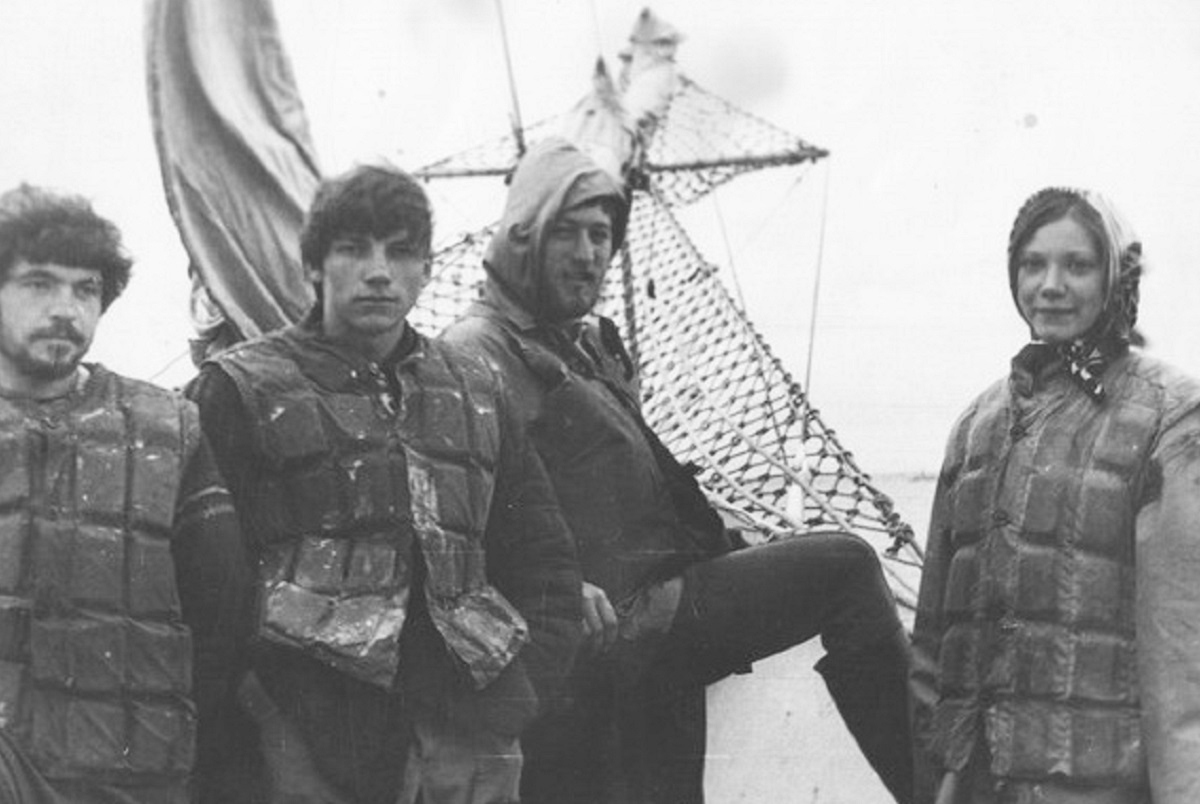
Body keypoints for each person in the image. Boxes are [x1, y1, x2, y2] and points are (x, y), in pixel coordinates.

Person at [441, 137, 914, 804]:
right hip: (615, 628)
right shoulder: (475, 353)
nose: (588, 255)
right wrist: (552, 588)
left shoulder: (581, 346)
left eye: (601, 236)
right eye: (567, 234)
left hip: (654, 622)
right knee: (847, 568)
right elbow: (448, 522)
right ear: (523, 237)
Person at [188, 164, 582, 804]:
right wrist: (267, 727)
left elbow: (544, 560)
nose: (378, 272)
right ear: (314, 266)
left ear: (426, 268)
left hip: (469, 736)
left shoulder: (476, 388)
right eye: (352, 249)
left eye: (400, 252)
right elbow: (209, 589)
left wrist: (513, 707)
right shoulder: (239, 390)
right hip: (308, 742)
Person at [910, 187, 1200, 804]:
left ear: (1116, 276)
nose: (1050, 284)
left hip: (1098, 782)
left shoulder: (1171, 417)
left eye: (1078, 265)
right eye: (1033, 263)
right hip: (976, 781)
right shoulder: (975, 424)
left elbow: (1182, 643)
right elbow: (934, 638)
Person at [0, 184, 252, 803]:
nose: (65, 308)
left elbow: (223, 610)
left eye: (85, 289)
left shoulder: (168, 428)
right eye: (38, 283)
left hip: (131, 774)